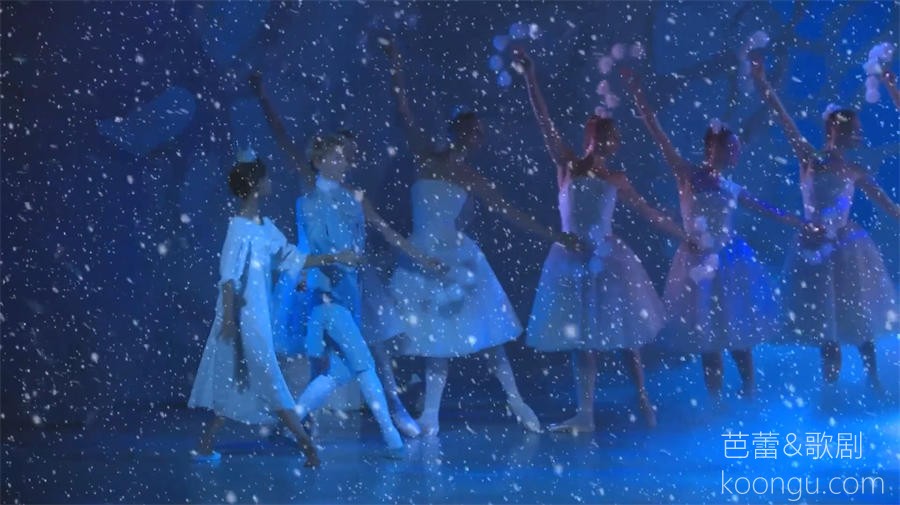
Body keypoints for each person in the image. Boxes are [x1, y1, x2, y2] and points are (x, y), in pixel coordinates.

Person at [750, 54, 899, 388]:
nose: (859, 135)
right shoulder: (810, 158)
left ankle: (873, 381)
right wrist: (762, 82)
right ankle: (831, 388)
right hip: (815, 246)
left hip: (848, 247)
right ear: (836, 130)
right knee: (825, 324)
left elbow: (890, 207)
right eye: (854, 130)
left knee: (858, 318)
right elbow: (785, 120)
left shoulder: (855, 170)